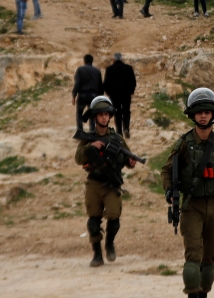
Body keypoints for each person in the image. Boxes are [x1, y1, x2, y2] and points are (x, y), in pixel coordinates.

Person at [160, 88, 214, 298]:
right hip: (192, 207)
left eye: (207, 112)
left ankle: (203, 294)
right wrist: (169, 190)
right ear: (192, 115)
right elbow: (166, 170)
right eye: (199, 112)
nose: (203, 116)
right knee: (193, 260)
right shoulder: (184, 143)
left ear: (213, 114)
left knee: (208, 261)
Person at [76, 95, 136, 268]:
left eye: (106, 114)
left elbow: (127, 158)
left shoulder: (117, 139)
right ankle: (97, 254)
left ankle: (109, 244)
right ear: (95, 117)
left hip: (111, 183)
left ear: (110, 116)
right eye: (100, 114)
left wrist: (131, 162)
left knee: (114, 216)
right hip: (94, 182)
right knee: (93, 221)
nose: (104, 117)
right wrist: (90, 147)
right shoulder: (87, 138)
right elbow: (78, 159)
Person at [103, 53, 137, 138]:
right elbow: (133, 81)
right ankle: (126, 128)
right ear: (122, 59)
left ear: (113, 60)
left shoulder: (109, 69)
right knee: (126, 111)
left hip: (114, 95)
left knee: (117, 112)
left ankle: (119, 132)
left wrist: (108, 92)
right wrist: (131, 91)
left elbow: (106, 83)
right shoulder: (128, 68)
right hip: (126, 93)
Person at [73, 55, 104, 132]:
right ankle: (92, 131)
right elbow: (100, 85)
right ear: (92, 61)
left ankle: (80, 131)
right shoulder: (97, 71)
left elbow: (77, 83)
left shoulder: (80, 70)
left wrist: (74, 95)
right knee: (92, 114)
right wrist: (100, 97)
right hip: (94, 96)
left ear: (84, 61)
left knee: (79, 113)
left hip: (82, 95)